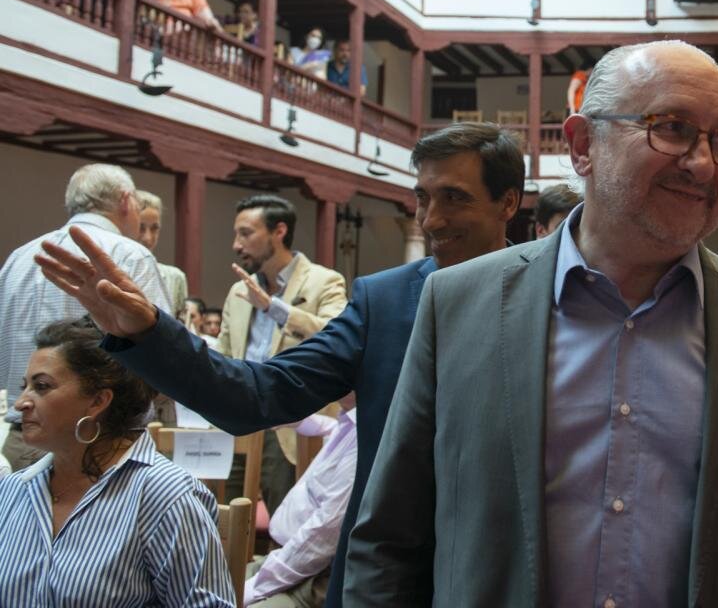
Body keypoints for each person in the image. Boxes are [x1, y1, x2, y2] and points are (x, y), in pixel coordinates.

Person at [345, 41, 718, 605]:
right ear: (584, 145)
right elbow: (390, 540)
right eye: (672, 128)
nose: (704, 163)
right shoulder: (457, 304)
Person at [34, 123, 525, 607]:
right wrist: (147, 332)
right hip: (392, 582)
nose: (431, 220)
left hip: (511, 574)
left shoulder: (544, 301)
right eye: (422, 198)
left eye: (454, 198)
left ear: (507, 203)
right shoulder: (386, 301)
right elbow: (257, 393)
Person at [0, 318, 234, 606]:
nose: (20, 403)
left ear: (97, 401)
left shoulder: (165, 496)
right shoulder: (12, 490)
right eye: (24, 386)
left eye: (42, 386)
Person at [1, 164, 169, 471]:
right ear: (126, 201)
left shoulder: (19, 258)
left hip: (23, 436)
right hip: (99, 439)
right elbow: (162, 353)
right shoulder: (131, 255)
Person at [216, 194, 348, 513]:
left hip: (290, 422)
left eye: (246, 233)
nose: (236, 245)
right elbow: (225, 352)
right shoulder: (239, 290)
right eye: (236, 234)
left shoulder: (324, 281)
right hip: (238, 417)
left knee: (286, 521)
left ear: (279, 231)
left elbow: (337, 337)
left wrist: (273, 308)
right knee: (223, 515)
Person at [244, 394, 358, 607]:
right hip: (287, 560)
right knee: (211, 584)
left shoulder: (363, 436)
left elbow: (321, 538)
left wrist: (254, 588)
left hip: (313, 577)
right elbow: (334, 428)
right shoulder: (349, 422)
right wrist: (304, 422)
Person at [135, 190, 188, 318]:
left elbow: (179, 325)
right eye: (141, 228)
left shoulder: (175, 278)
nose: (148, 238)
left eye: (154, 228)